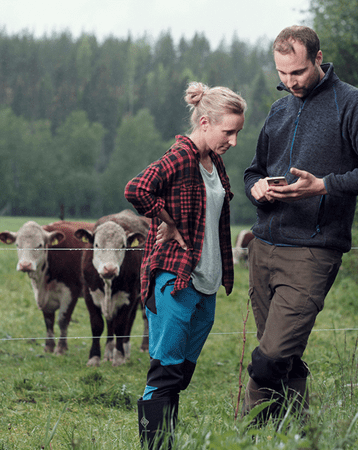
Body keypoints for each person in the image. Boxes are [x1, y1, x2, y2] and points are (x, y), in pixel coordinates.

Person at [242, 25, 358, 422]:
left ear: (318, 58)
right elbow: (253, 171)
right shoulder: (279, 110)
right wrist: (256, 187)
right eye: (282, 73)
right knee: (285, 357)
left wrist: (324, 186)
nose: (290, 81)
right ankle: (297, 435)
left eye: (297, 71)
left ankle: (243, 435)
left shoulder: (352, 103)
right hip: (263, 248)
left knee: (270, 357)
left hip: (312, 251)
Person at [125, 81, 246, 449]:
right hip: (174, 279)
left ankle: (167, 442)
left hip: (205, 283)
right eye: (229, 132)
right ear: (205, 122)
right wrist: (166, 219)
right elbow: (136, 189)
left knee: (179, 374)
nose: (233, 141)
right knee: (164, 372)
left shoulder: (214, 162)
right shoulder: (179, 157)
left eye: (237, 133)